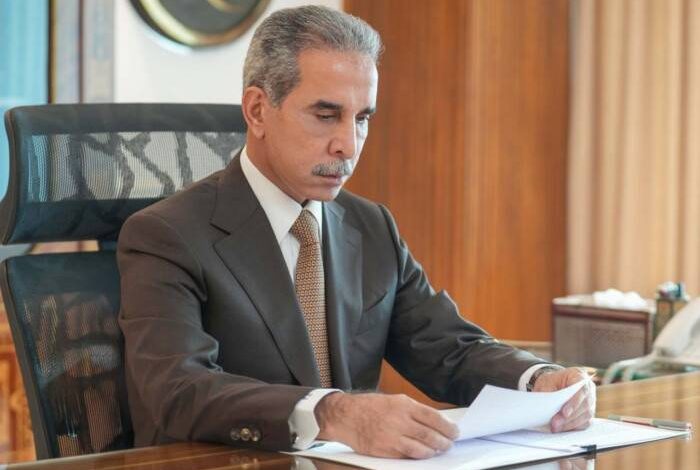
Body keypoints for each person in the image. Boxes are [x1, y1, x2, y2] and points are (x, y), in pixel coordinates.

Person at [117, 5, 595, 460]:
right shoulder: (166, 235)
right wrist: (334, 413)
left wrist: (538, 380)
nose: (348, 144)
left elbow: (446, 348)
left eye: (362, 118)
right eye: (326, 115)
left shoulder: (371, 226)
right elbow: (179, 389)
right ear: (258, 110)